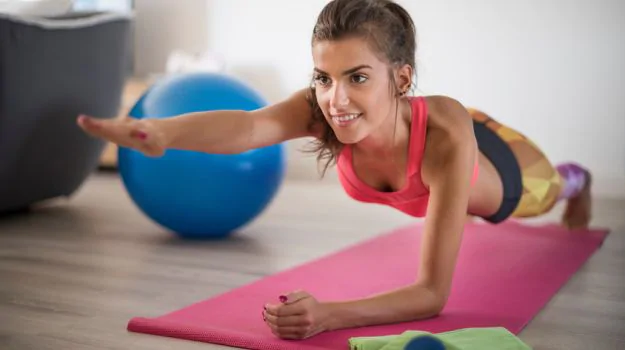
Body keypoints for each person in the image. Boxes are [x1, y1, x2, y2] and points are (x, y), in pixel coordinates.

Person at [77, 0, 592, 341]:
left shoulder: (442, 141)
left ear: (402, 76)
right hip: (432, 130)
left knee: (547, 192)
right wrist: (162, 133)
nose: (335, 100)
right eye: (324, 77)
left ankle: (578, 179)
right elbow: (247, 128)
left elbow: (432, 295)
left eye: (358, 77)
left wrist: (330, 315)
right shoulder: (323, 108)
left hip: (497, 163)